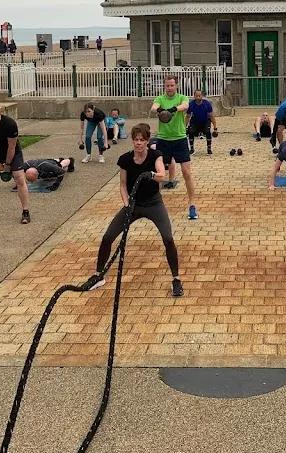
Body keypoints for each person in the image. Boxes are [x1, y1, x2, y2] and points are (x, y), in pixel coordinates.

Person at [84, 123, 183, 298]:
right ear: (132, 141)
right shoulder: (125, 159)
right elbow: (122, 185)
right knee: (108, 237)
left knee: (168, 238)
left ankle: (176, 279)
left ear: (147, 141)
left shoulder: (155, 155)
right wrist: (126, 202)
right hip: (133, 204)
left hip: (153, 204)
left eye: (142, 140)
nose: (138, 143)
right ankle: (98, 275)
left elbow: (162, 175)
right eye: (136, 140)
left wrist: (150, 174)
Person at [150, 76, 198, 220]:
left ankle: (192, 205)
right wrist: (160, 110)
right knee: (159, 174)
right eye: (167, 86)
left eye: (172, 85)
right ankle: (155, 205)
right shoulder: (160, 98)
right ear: (165, 86)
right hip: (163, 140)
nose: (169, 88)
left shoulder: (182, 97)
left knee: (186, 173)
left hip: (180, 139)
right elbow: (153, 108)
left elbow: (186, 106)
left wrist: (172, 109)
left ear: (176, 86)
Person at [186, 89, 218, 155]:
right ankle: (192, 149)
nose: (198, 97)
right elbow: (188, 116)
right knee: (190, 132)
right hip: (195, 122)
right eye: (196, 96)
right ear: (194, 96)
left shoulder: (207, 104)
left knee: (208, 132)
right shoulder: (191, 104)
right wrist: (184, 127)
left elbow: (212, 116)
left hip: (205, 121)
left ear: (202, 96)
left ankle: (209, 149)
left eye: (199, 96)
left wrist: (215, 128)